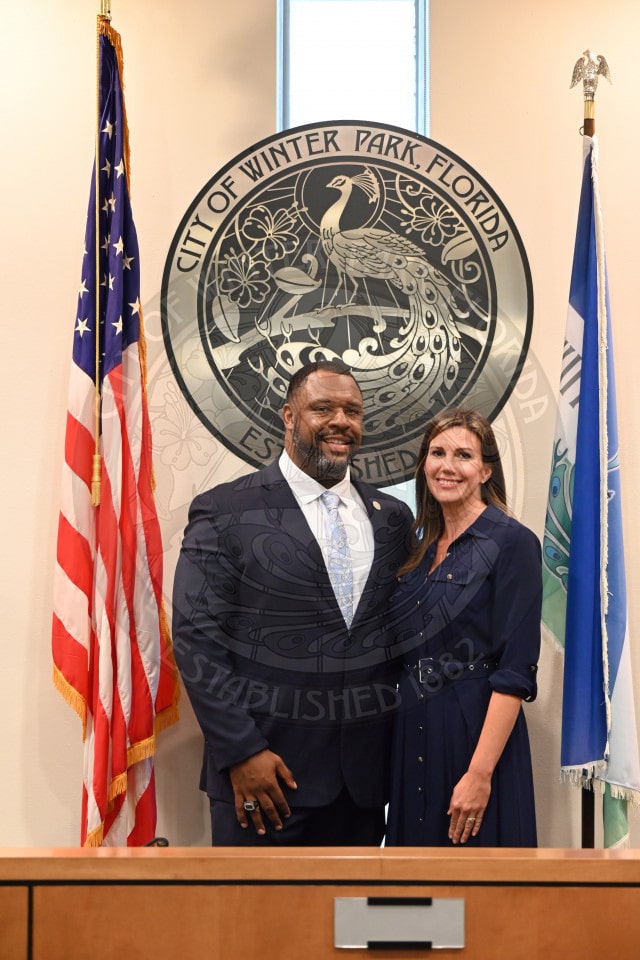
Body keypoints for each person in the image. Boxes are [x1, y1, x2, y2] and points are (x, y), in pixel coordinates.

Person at [172, 359, 413, 845]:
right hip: (263, 782)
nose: (341, 421)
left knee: (349, 922)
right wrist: (241, 752)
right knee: (254, 922)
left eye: (353, 410)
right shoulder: (225, 511)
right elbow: (197, 640)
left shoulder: (393, 519)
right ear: (288, 416)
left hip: (362, 788)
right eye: (322, 408)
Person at [386, 408, 541, 847]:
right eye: (437, 453)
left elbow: (515, 672)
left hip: (474, 734)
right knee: (414, 897)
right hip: (412, 730)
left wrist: (479, 774)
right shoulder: (416, 552)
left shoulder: (512, 543)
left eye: (463, 455)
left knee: (480, 893)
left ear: (485, 469)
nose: (447, 466)